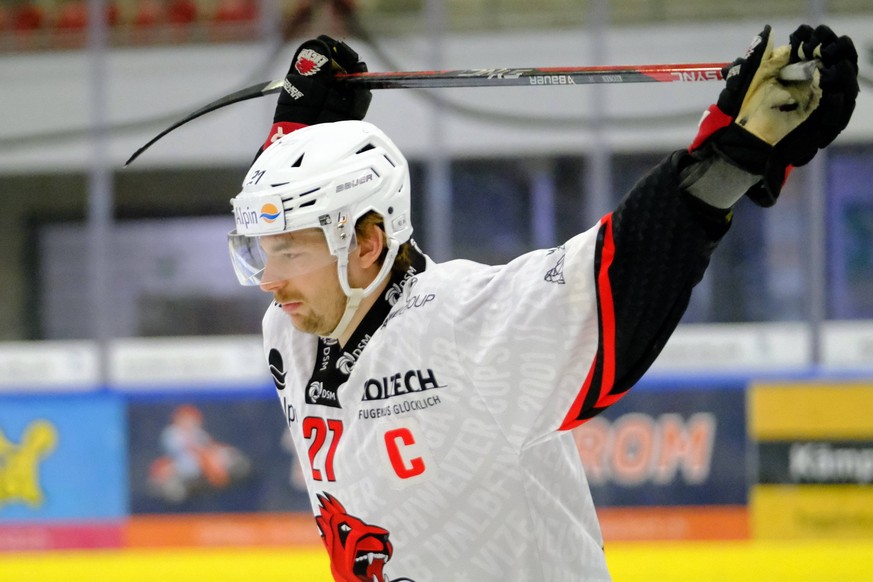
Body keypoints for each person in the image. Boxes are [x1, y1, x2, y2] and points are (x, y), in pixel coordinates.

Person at [226, 26, 858, 582]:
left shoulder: (465, 327)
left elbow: (625, 268)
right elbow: (298, 222)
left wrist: (739, 148)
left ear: (366, 241)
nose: (267, 280)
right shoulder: (297, 329)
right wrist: (299, 125)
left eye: (288, 254)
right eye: (262, 253)